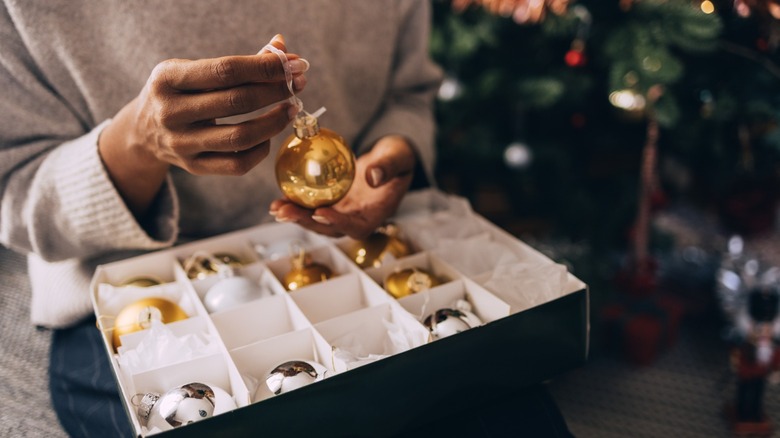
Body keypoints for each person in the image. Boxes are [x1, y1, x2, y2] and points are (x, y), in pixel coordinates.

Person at [0, 1, 573, 436]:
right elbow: (15, 191)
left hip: (358, 243)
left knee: (497, 402)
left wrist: (392, 156)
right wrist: (135, 144)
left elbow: (410, 92)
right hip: (133, 294)